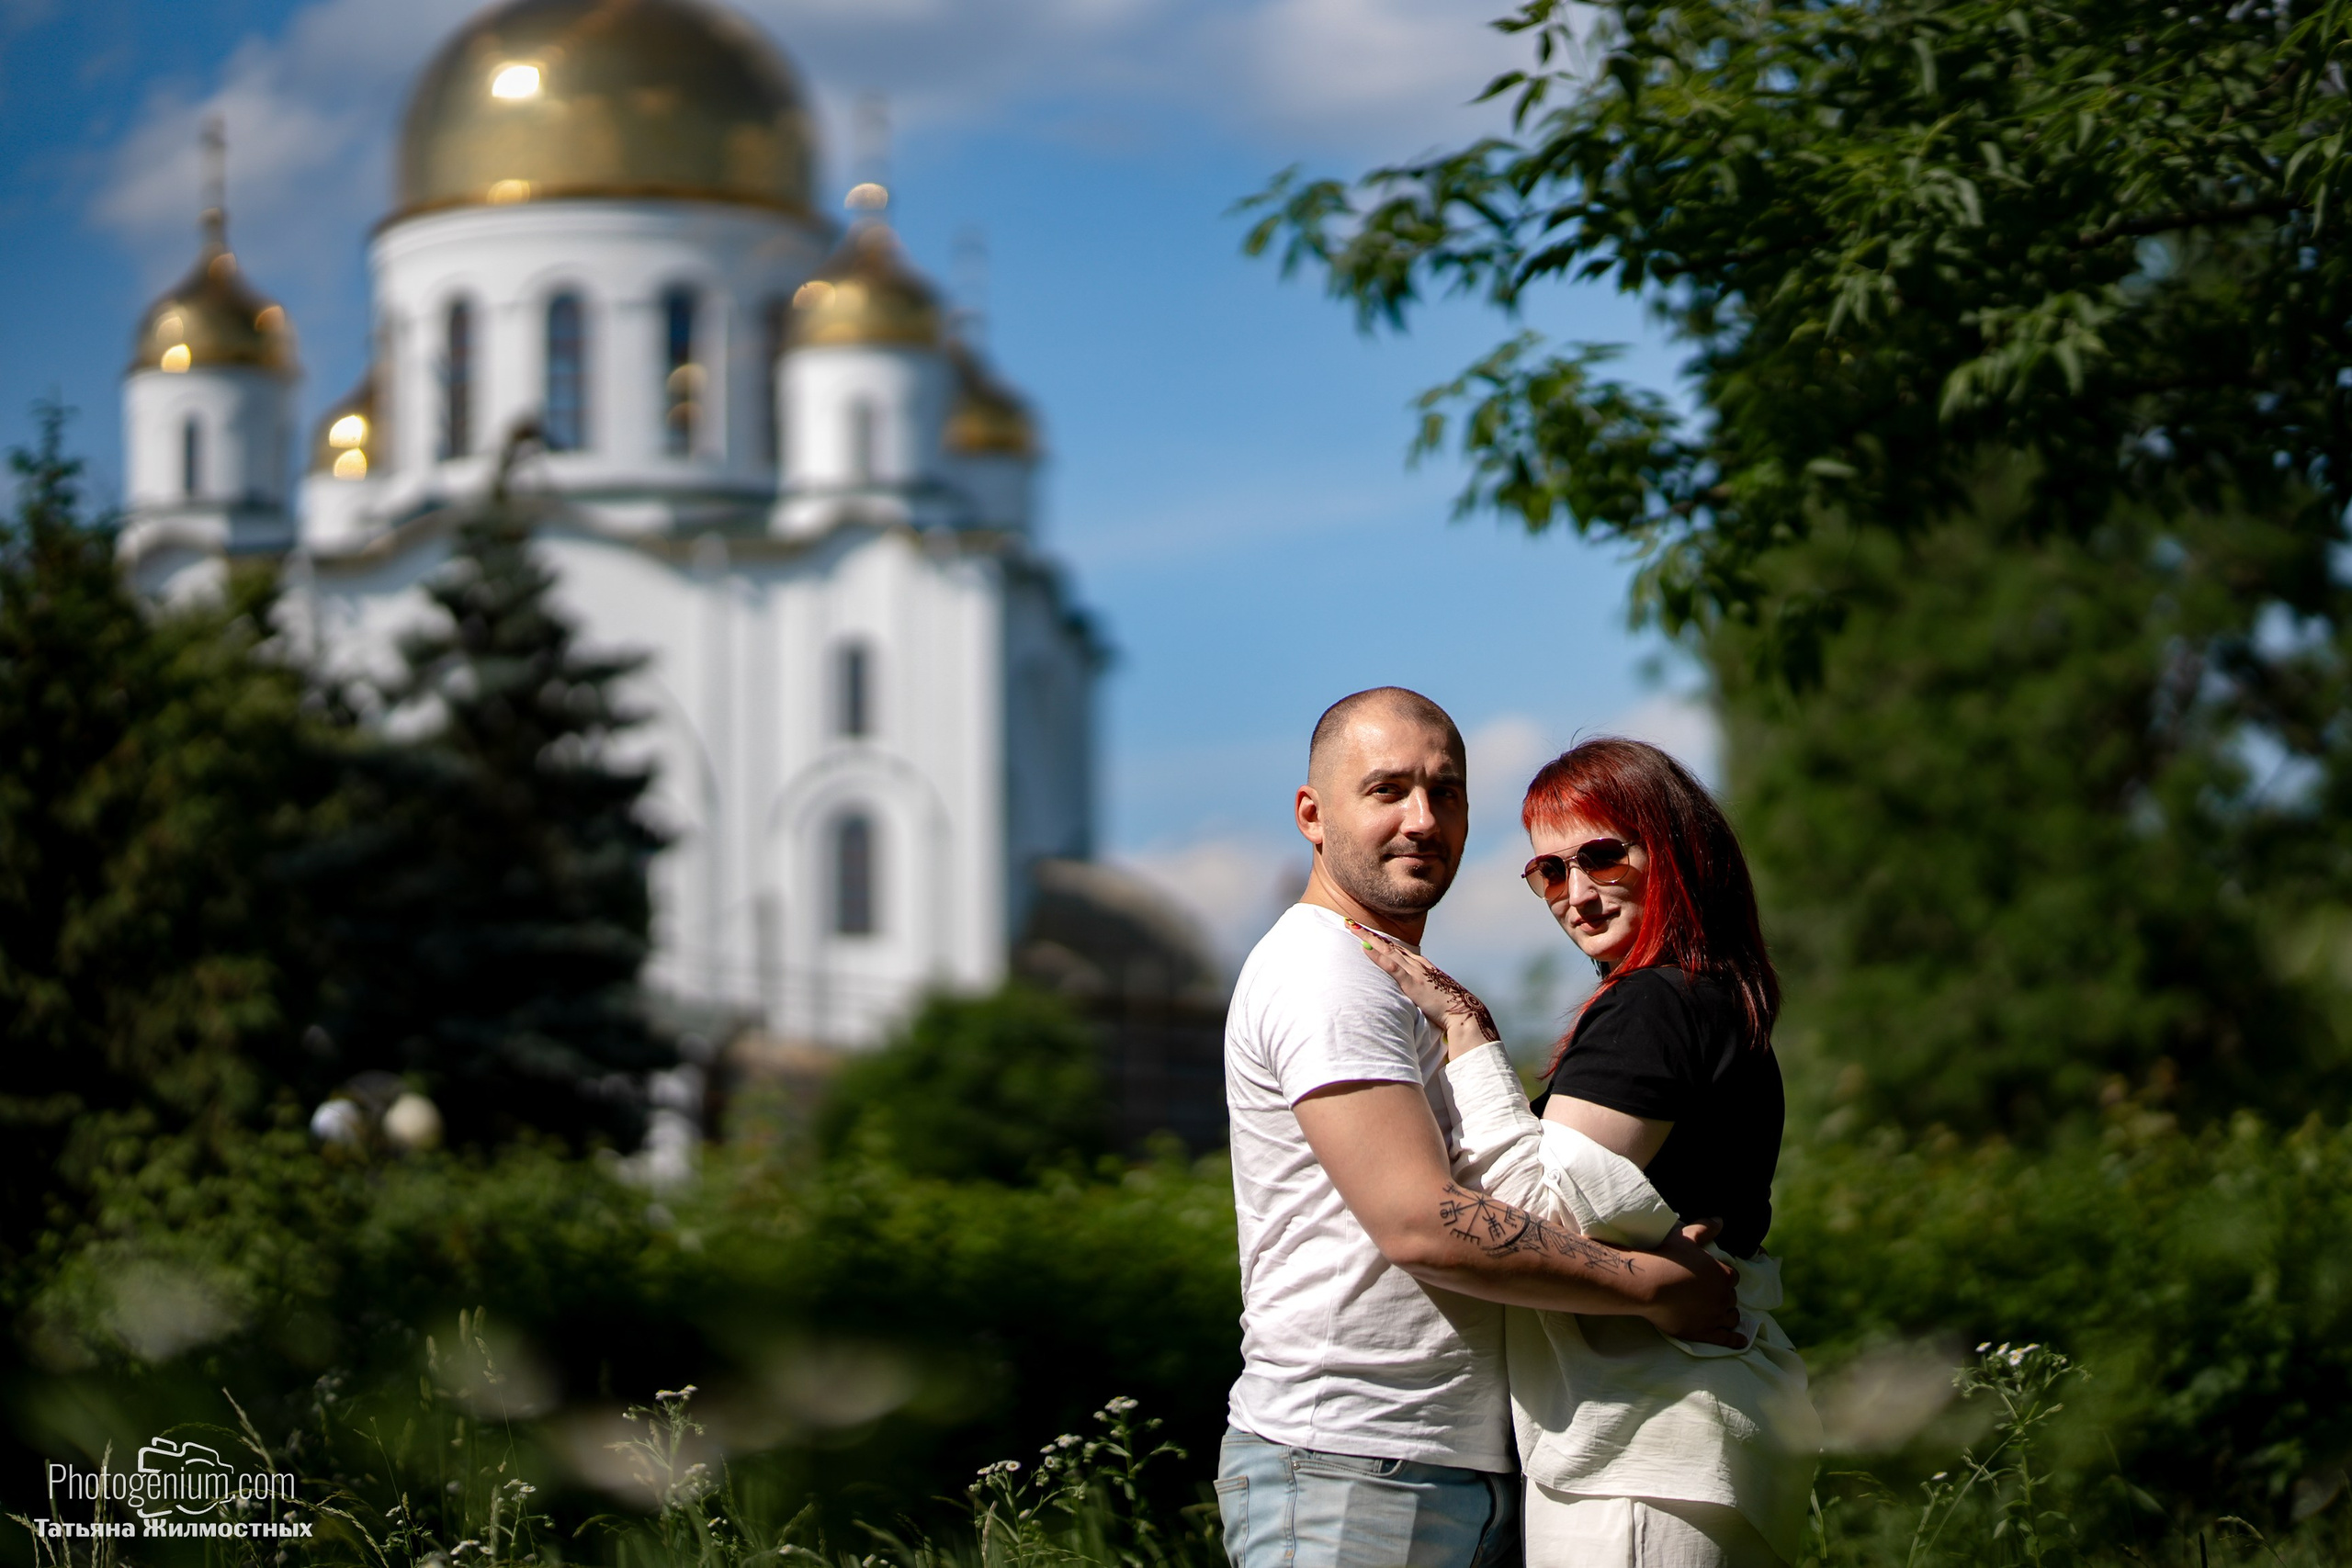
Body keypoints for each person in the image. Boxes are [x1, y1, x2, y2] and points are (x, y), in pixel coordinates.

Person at [1218, 693, 1747, 1568]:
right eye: (1386, 789)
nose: (1421, 819)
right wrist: (1651, 1283)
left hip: (1443, 1466)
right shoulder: (1326, 975)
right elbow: (1421, 1221)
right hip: (1355, 1468)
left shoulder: (1400, 978)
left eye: (1445, 791)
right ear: (1313, 813)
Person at [1356, 737, 1821, 1568]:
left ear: (1674, 850)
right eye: (1549, 872)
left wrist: (1468, 1031)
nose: (1576, 892)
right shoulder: (1709, 997)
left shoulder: (1655, 1003)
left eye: (1602, 856)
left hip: (1644, 1454)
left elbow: (1543, 1214)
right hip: (1694, 1444)